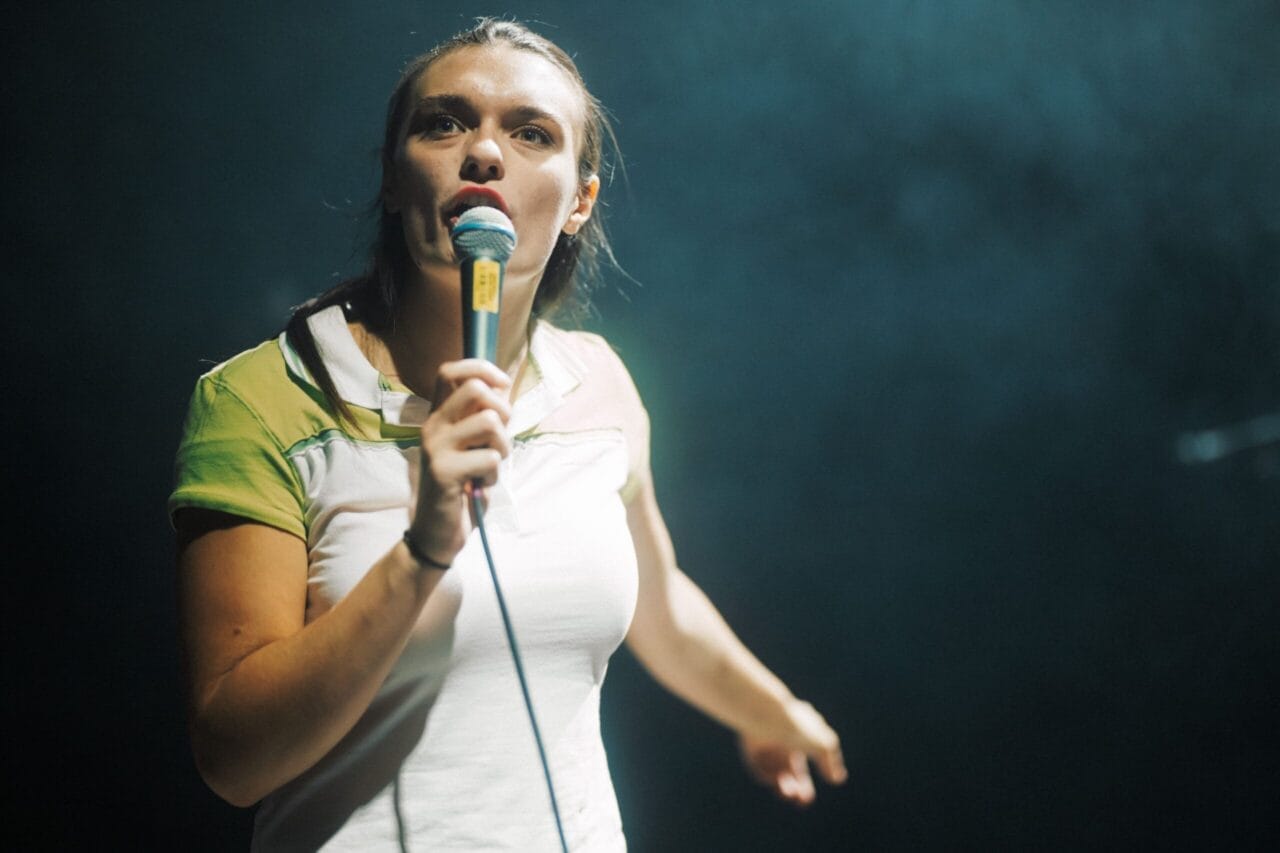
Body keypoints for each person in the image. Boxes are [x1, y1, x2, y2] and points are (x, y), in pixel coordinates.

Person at [171, 18, 846, 851]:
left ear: (580, 202)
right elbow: (235, 760)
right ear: (392, 176)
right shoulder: (263, 397)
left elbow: (662, 605)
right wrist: (419, 553)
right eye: (445, 123)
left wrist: (772, 710)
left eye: (531, 133)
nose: (484, 153)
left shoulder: (595, 381)